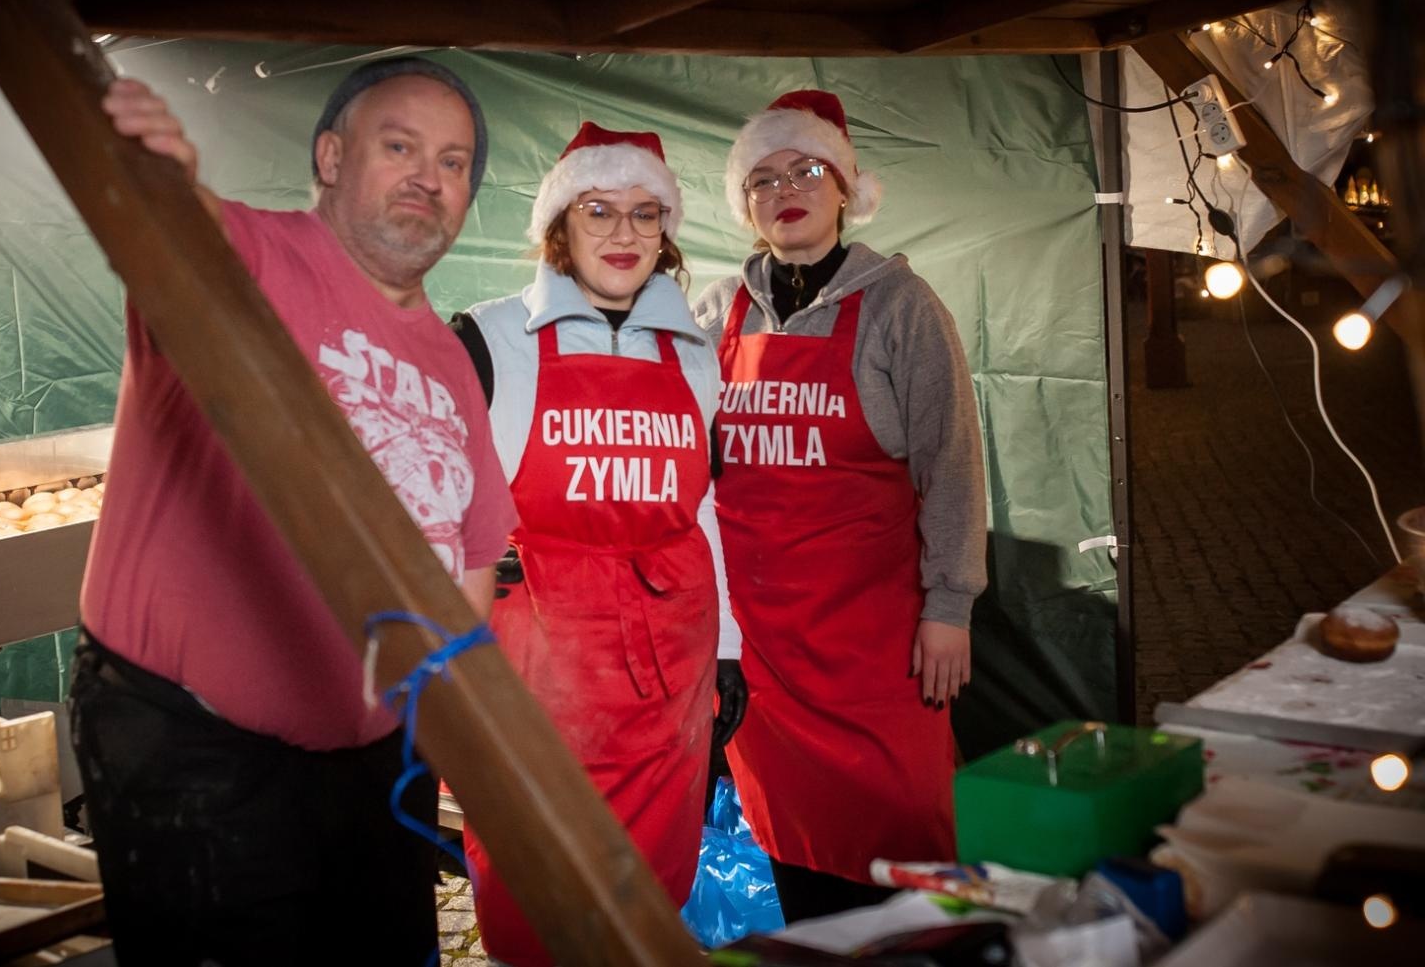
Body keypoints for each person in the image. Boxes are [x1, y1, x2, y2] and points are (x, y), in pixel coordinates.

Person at [72, 58, 518, 965]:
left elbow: (472, 569)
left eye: (455, 160)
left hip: (378, 765)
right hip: (197, 753)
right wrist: (148, 168)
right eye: (400, 146)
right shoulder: (244, 251)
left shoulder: (448, 361)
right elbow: (163, 219)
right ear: (329, 155)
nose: (429, 177)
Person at [449, 123, 745, 966]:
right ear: (559, 227)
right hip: (538, 674)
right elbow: (425, 502)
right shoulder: (490, 338)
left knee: (648, 895)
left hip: (667, 675)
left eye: (646, 214)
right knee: (533, 888)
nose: (623, 234)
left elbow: (707, 507)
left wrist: (727, 650)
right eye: (599, 210)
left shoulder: (693, 353)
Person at [694, 89, 987, 923]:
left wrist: (951, 606)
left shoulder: (902, 307)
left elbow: (954, 465)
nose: (787, 189)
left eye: (808, 169)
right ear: (745, 204)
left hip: (877, 645)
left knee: (903, 842)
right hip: (760, 653)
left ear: (847, 188)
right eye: (764, 178)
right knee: (793, 848)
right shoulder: (716, 310)